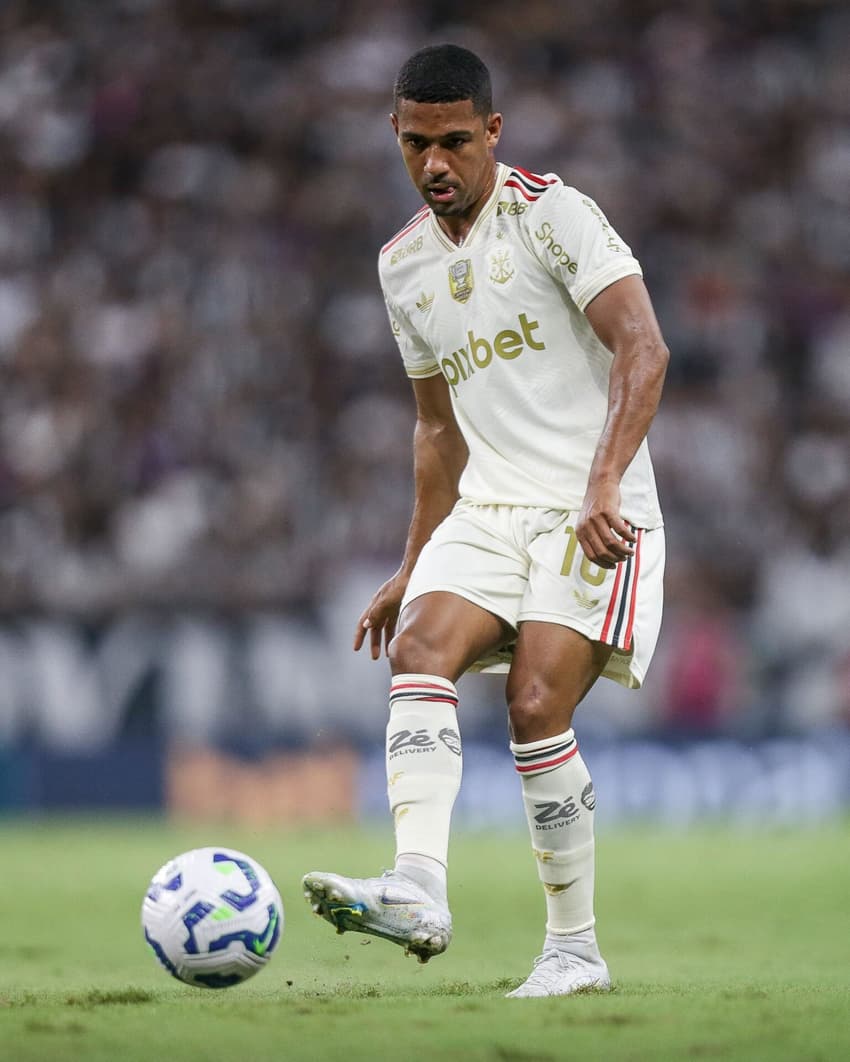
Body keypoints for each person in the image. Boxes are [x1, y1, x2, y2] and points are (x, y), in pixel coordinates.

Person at [303, 43, 669, 998]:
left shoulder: (554, 214)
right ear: (394, 133)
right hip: (489, 509)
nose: (435, 164)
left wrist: (603, 482)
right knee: (417, 646)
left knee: (535, 706)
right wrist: (411, 561)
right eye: (417, 143)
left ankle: (573, 950)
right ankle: (418, 888)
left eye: (456, 142)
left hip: (593, 511)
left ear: (493, 133)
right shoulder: (402, 266)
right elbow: (434, 430)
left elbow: (644, 346)